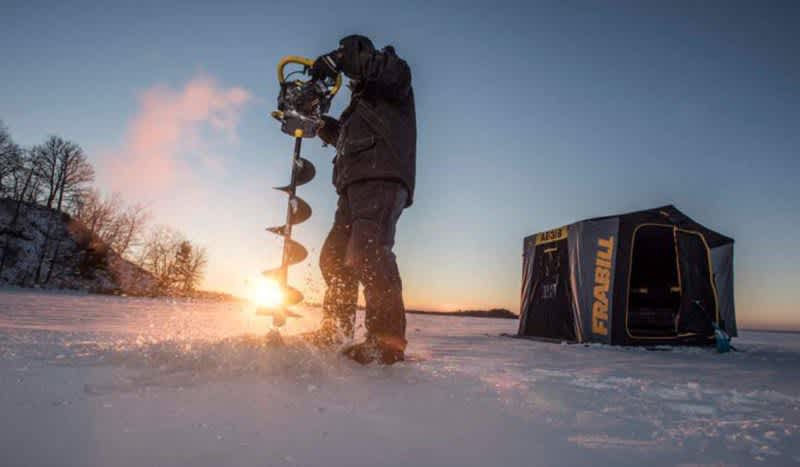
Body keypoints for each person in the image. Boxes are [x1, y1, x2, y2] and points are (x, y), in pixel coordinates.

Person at [304, 35, 416, 365]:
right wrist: (317, 122)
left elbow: (388, 73)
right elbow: (342, 138)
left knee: (368, 251)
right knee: (334, 258)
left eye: (349, 53)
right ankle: (335, 330)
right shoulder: (358, 106)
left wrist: (340, 58)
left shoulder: (392, 73)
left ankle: (387, 343)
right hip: (352, 184)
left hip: (382, 175)